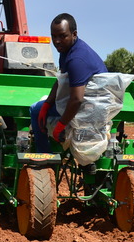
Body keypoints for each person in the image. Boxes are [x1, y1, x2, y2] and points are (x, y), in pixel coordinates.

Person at [29, 13, 108, 152]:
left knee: (34, 110)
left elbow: (76, 99)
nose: (57, 41)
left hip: (89, 106)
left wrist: (60, 125)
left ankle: (43, 156)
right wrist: (47, 104)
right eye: (54, 36)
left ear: (74, 34)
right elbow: (60, 80)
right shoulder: (67, 50)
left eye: (62, 36)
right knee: (41, 107)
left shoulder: (76, 59)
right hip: (92, 101)